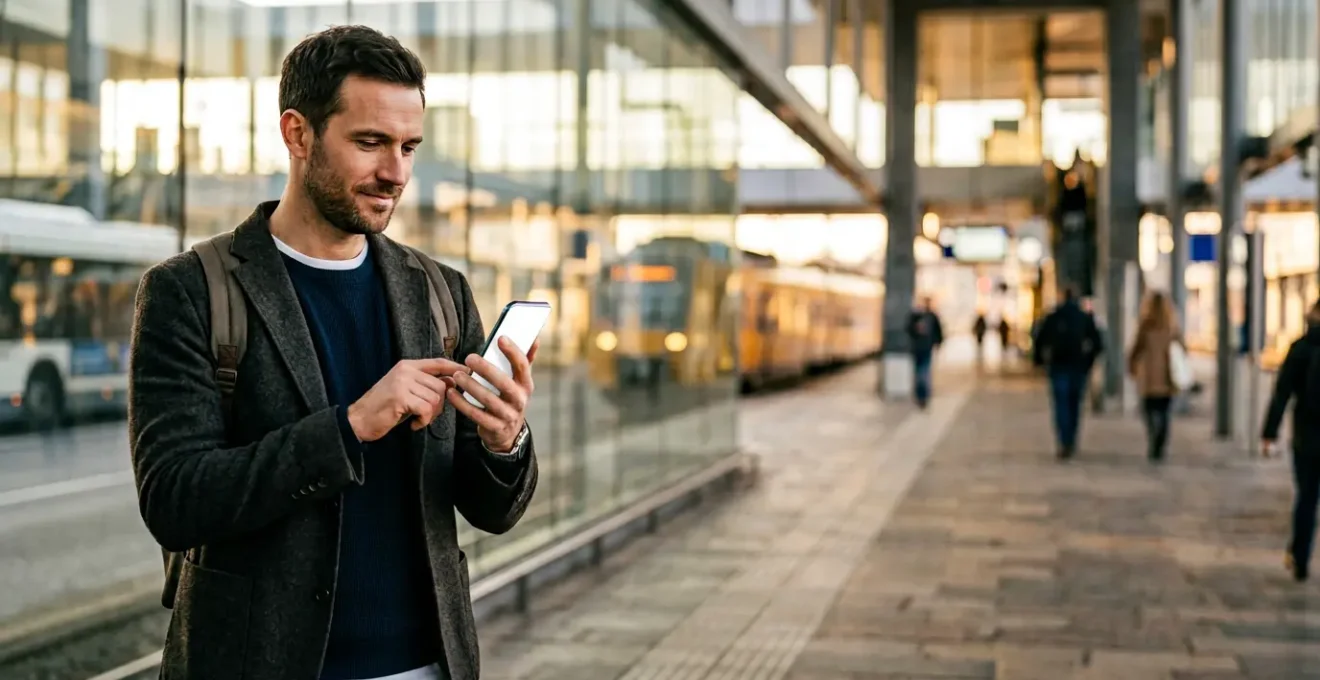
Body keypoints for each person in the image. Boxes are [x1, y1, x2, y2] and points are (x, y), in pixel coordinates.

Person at [128, 26, 539, 680]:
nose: (395, 173)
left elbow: (490, 511)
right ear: (298, 134)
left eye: (409, 147)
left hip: (428, 665)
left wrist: (505, 440)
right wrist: (351, 427)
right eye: (370, 143)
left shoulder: (439, 292)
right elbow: (175, 502)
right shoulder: (191, 292)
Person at [1261, 299, 1320, 583]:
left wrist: (1269, 432)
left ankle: (1300, 555)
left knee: (1306, 498)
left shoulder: (1301, 348)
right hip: (1306, 438)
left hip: (1306, 439)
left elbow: (1282, 393)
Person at [1032, 286, 1103, 459]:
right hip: (1078, 367)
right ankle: (1071, 439)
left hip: (1058, 367)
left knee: (1061, 405)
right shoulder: (1084, 318)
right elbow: (1097, 344)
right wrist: (1088, 362)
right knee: (1074, 405)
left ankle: (1064, 440)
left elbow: (1040, 341)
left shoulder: (1053, 317)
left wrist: (1040, 362)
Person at [1126, 291, 1181, 462]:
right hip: (1167, 376)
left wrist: (1132, 366)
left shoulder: (1145, 325)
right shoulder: (1172, 328)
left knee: (1149, 410)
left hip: (1149, 377)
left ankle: (1153, 437)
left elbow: (1136, 349)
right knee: (1164, 412)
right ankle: (1160, 443)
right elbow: (1181, 349)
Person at [907, 295, 944, 408]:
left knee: (922, 372)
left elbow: (938, 332)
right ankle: (922, 395)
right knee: (922, 372)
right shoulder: (921, 316)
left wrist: (937, 343)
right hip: (921, 348)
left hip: (924, 348)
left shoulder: (927, 316)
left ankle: (922, 395)